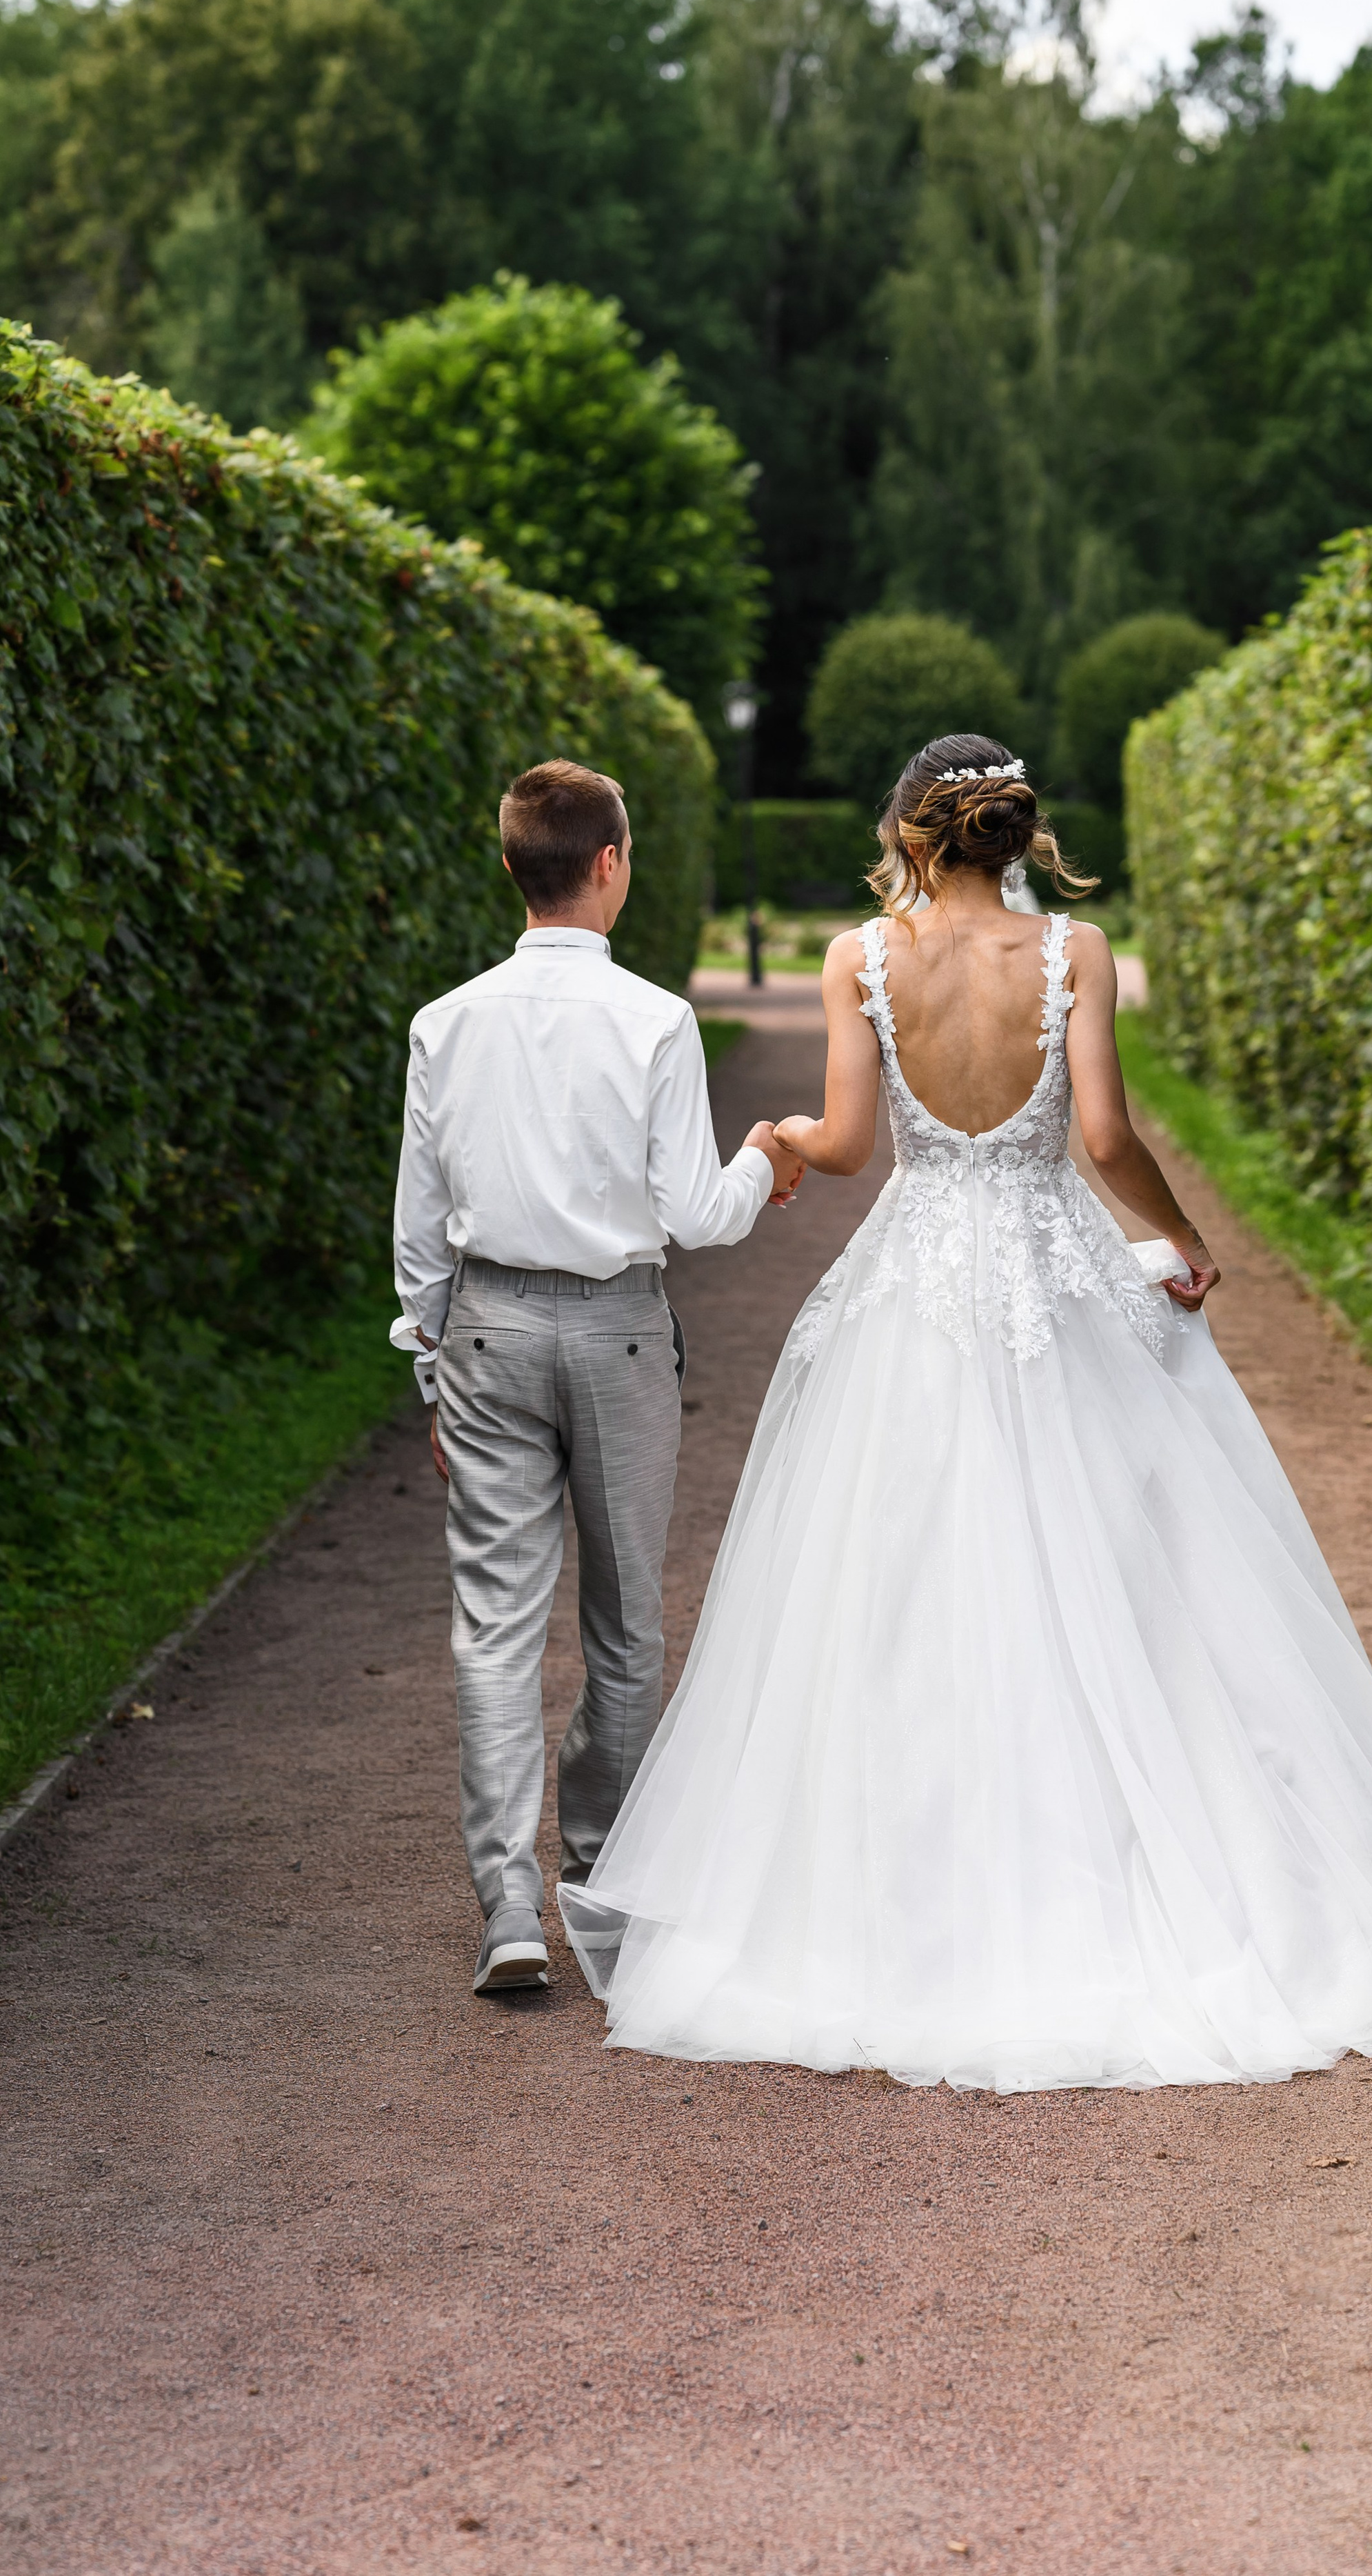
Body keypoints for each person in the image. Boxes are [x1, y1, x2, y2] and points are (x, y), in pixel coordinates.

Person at [557, 734, 1372, 2090]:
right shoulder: (1074, 957)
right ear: (1014, 831)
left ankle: (898, 1897)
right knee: (1124, 1569)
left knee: (890, 1583)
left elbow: (846, 1147)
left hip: (910, 1285)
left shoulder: (858, 959)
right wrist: (1179, 1237)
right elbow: (1102, 1138)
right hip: (1050, 1273)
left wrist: (777, 1141)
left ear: (910, 832)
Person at [392, 757, 805, 1994]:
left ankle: (508, 1908)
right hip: (619, 1330)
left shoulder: (443, 1023)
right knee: (626, 1625)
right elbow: (692, 1210)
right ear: (612, 863)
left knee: (493, 1629)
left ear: (511, 864)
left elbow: (420, 1221)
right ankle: (604, 1886)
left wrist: (428, 1365)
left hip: (487, 1331)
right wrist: (762, 1162)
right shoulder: (656, 1020)